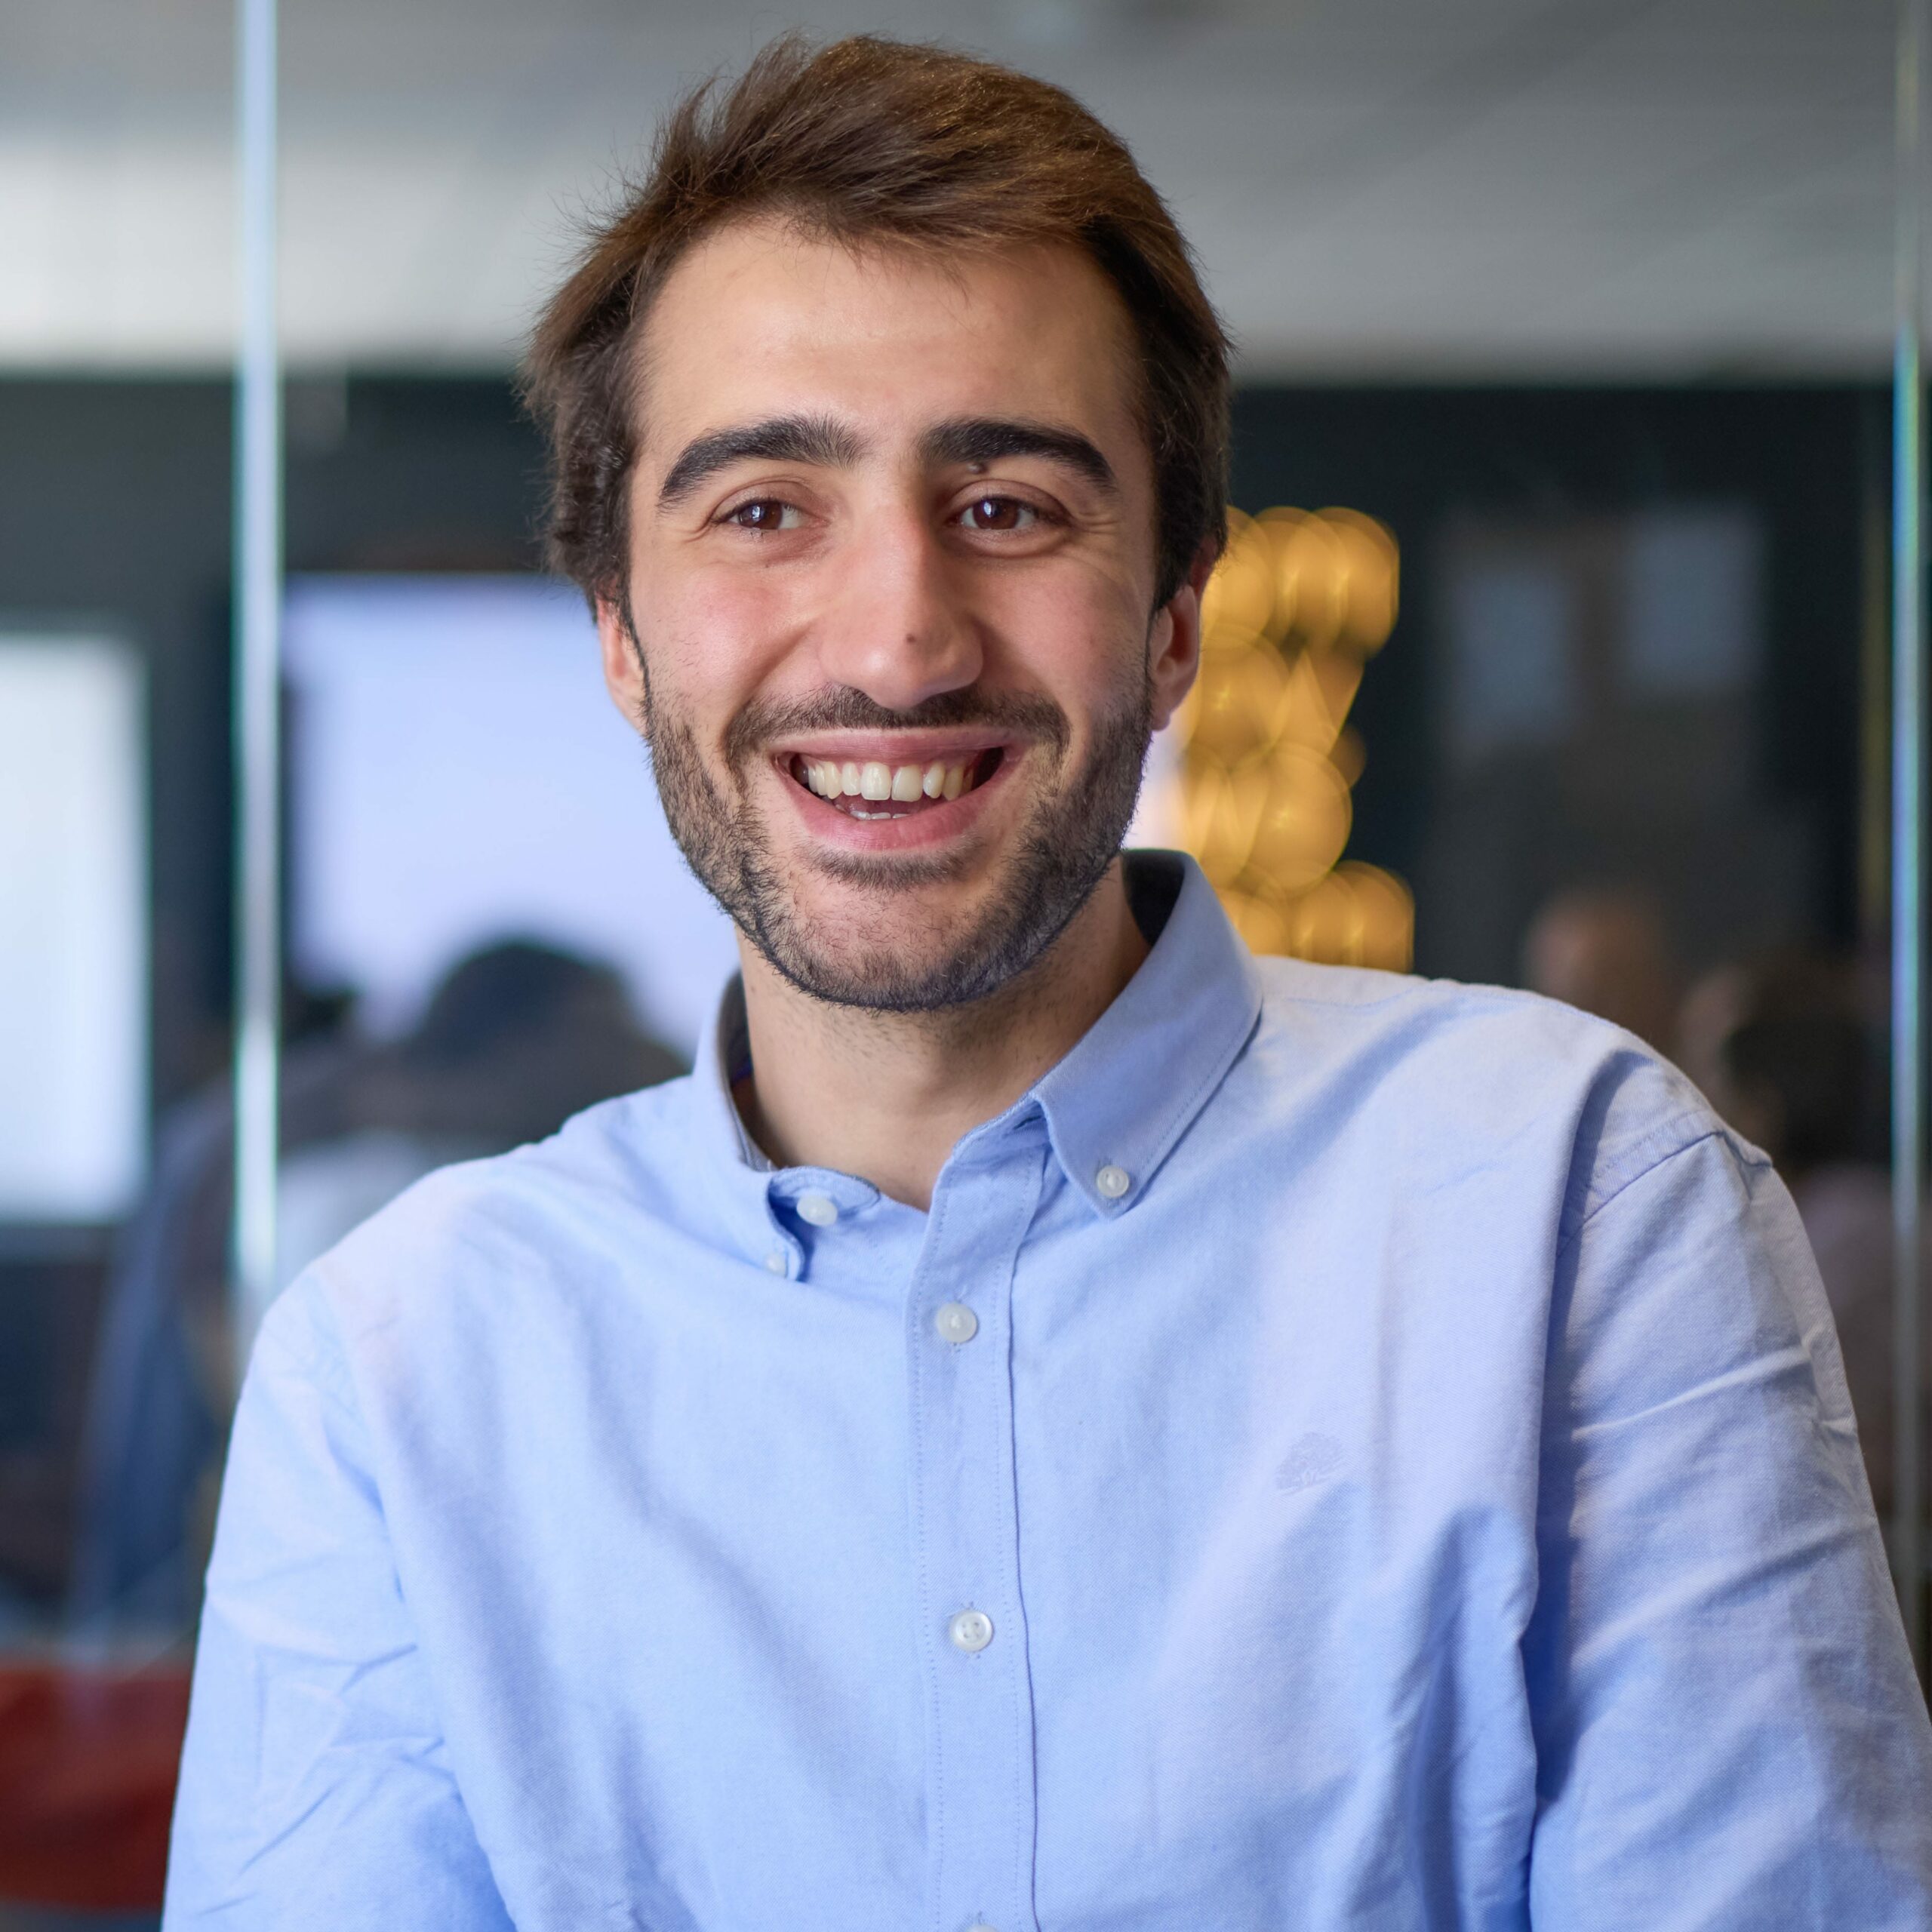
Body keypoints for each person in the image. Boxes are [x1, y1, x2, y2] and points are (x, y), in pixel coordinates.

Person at [164, 35, 1932, 1931]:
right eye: (763, 508)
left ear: (1171, 620)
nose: (897, 641)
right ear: (619, 633)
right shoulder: (401, 1369)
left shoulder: (1575, 1209)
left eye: (1006, 505)